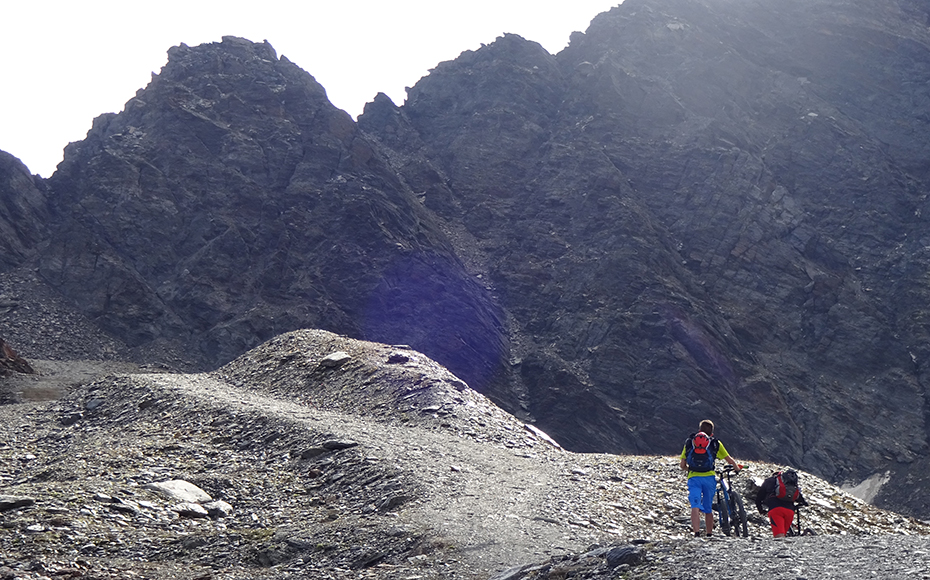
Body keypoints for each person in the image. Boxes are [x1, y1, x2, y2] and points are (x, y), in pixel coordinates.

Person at [680, 419, 742, 537]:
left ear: (699, 430)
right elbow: (729, 459)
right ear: (712, 433)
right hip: (709, 478)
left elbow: (682, 466)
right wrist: (736, 468)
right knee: (708, 507)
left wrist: (692, 469)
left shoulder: (690, 442)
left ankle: (697, 534)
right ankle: (709, 534)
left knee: (695, 505)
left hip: (693, 478)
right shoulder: (715, 443)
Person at [755, 469, 808, 538]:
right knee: (784, 536)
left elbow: (759, 498)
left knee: (779, 538)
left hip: (776, 510)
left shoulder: (770, 481)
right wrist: (804, 503)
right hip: (790, 511)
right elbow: (799, 499)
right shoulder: (792, 484)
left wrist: (761, 510)